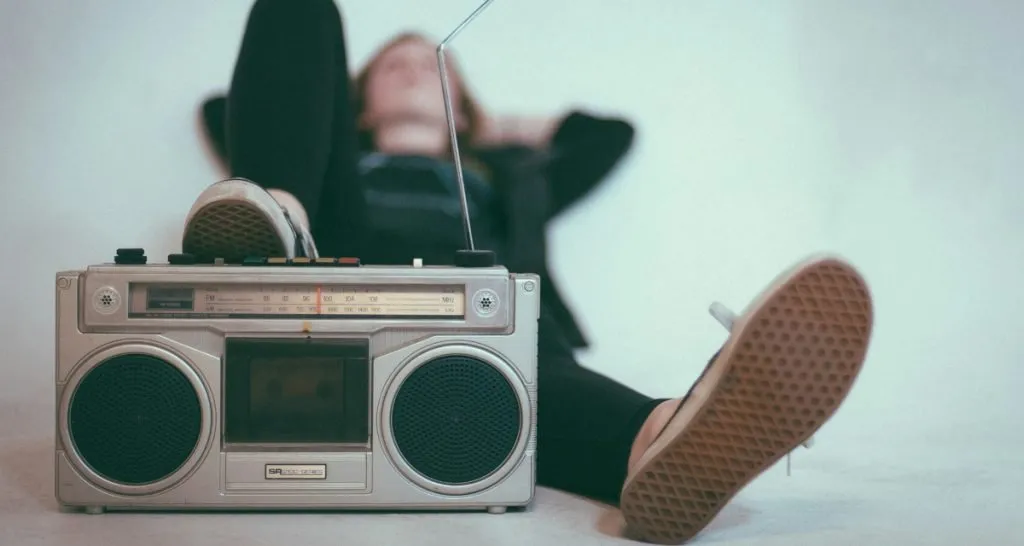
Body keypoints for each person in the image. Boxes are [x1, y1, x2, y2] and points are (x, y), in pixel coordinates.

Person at [183, 0, 875, 543]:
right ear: (355, 99)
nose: (412, 69)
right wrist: (318, 140)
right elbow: (228, 108)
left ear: (465, 101)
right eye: (392, 66)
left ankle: (662, 436)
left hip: (479, 318)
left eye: (433, 67)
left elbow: (608, 135)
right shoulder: (339, 166)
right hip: (337, 269)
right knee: (297, 5)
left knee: (525, 342)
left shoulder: (510, 178)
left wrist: (483, 126)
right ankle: (277, 220)